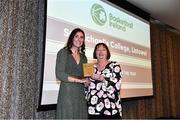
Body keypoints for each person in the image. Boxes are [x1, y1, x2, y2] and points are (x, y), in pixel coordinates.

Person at [55, 28, 89, 119]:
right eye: (76, 36)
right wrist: (78, 80)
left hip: (80, 94)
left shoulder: (84, 57)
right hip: (67, 92)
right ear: (71, 38)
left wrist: (87, 81)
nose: (79, 39)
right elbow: (59, 74)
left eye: (82, 37)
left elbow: (85, 77)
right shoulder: (63, 53)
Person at [86, 43, 122, 119]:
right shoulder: (90, 67)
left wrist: (101, 78)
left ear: (107, 52)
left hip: (111, 109)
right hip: (93, 109)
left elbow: (117, 86)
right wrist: (86, 84)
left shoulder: (114, 66)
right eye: (98, 50)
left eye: (103, 50)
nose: (101, 52)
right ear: (95, 53)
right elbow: (86, 89)